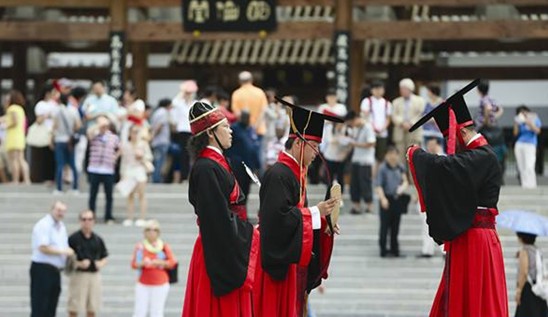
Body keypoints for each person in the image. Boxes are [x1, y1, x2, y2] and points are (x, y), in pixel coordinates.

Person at [407, 79, 508, 317]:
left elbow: (448, 168)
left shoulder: (483, 156)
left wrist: (415, 154)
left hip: (478, 240)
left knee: (475, 302)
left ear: (461, 131)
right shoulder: (478, 156)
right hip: (468, 236)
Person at [254, 98, 340, 317]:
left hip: (293, 262)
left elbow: (297, 215)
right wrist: (315, 213)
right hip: (278, 265)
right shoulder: (279, 174)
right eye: (315, 147)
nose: (316, 154)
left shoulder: (295, 174)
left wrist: (323, 221)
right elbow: (277, 219)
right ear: (300, 143)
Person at [182, 101, 259, 317]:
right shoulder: (206, 168)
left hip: (226, 243)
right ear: (210, 133)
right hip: (216, 250)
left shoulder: (216, 163)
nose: (230, 130)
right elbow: (216, 219)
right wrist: (251, 233)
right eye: (225, 126)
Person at [30, 200, 74, 317]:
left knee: (51, 307)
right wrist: (63, 251)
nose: (61, 213)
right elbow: (43, 247)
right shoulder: (44, 225)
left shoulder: (61, 227)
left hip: (55, 270)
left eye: (63, 211)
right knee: (40, 306)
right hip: (42, 269)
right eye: (58, 210)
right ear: (52, 210)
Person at [131, 220, 177, 317]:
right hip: (143, 283)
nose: (151, 232)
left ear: (158, 232)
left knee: (156, 312)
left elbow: (172, 262)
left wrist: (159, 262)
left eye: (154, 230)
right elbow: (134, 264)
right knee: (139, 311)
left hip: (160, 284)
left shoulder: (164, 246)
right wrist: (143, 263)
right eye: (148, 229)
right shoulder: (140, 247)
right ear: (144, 232)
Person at [67, 210, 108, 317]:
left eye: (90, 219)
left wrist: (100, 263)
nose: (87, 222)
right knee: (74, 306)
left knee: (92, 306)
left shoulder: (98, 239)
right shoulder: (73, 238)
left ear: (94, 221)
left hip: (94, 274)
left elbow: (104, 256)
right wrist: (78, 263)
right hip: (79, 274)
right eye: (84, 219)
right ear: (80, 221)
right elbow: (67, 257)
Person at [375, 146, 409, 257]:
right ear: (386, 156)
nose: (392, 157)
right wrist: (383, 199)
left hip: (397, 198)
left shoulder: (400, 167)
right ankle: (383, 249)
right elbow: (378, 186)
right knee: (384, 226)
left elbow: (405, 181)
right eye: (390, 154)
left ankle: (395, 249)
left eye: (394, 154)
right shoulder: (382, 168)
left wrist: (402, 187)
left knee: (396, 226)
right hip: (386, 198)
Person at [87, 116, 120, 224]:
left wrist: (115, 157)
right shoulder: (94, 135)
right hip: (94, 168)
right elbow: (89, 133)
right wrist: (98, 125)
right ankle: (92, 215)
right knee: (93, 194)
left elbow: (120, 148)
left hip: (108, 169)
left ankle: (108, 216)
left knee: (109, 195)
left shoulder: (113, 137)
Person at [225, 111, 261, 211]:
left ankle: (243, 213)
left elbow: (254, 147)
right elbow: (228, 146)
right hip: (237, 165)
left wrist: (257, 165)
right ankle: (236, 212)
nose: (246, 119)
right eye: (244, 117)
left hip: (249, 166)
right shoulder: (234, 128)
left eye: (248, 117)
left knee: (246, 190)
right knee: (238, 191)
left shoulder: (250, 129)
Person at [120, 125, 153, 227]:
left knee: (141, 194)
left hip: (139, 169)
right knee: (130, 195)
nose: (135, 134)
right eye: (133, 132)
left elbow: (149, 157)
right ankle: (129, 217)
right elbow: (124, 161)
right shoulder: (126, 145)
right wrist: (122, 174)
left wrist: (141, 156)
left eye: (136, 132)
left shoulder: (143, 144)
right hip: (129, 170)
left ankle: (142, 218)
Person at [417, 138, 444, 258]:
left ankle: (445, 249)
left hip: (441, 197)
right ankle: (427, 250)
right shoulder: (426, 159)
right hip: (427, 195)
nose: (429, 146)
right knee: (426, 224)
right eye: (428, 144)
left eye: (432, 144)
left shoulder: (445, 159)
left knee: (443, 223)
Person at [52, 94, 82, 194]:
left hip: (59, 139)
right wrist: (71, 131)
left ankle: (59, 188)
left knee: (60, 164)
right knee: (72, 164)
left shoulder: (56, 110)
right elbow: (78, 125)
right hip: (70, 140)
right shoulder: (73, 110)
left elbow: (54, 125)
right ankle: (75, 188)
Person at [30, 82, 60, 183]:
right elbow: (39, 120)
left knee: (54, 156)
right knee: (45, 156)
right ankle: (46, 177)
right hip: (45, 132)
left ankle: (54, 177)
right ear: (48, 93)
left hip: (54, 132)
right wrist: (48, 115)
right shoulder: (41, 105)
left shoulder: (55, 104)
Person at [515, 232, 548, 317]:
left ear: (521, 237)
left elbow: (524, 273)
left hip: (528, 290)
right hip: (538, 289)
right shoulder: (537, 250)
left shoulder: (524, 251)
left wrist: (519, 291)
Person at [349, 111, 376, 214]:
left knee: (365, 183)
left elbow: (371, 143)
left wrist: (356, 144)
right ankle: (356, 206)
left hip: (366, 161)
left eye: (352, 122)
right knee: (354, 184)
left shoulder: (368, 127)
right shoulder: (355, 129)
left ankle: (369, 206)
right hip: (356, 159)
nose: (352, 125)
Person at [392, 78, 425, 160]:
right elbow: (394, 115)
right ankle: (402, 173)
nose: (402, 90)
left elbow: (421, 115)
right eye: (401, 88)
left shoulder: (420, 100)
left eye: (404, 88)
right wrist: (402, 123)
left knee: (413, 158)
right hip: (400, 132)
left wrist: (411, 123)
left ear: (410, 89)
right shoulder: (396, 102)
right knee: (400, 158)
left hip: (414, 132)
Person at [1, 90, 31, 184]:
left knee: (14, 159)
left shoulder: (12, 108)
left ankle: (15, 179)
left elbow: (14, 121)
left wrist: (6, 126)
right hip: (20, 136)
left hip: (13, 136)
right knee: (21, 159)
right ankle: (27, 179)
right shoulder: (20, 109)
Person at [171, 80, 198, 182]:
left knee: (193, 154)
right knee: (183, 155)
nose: (188, 95)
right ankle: (184, 176)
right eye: (187, 93)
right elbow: (174, 103)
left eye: (190, 93)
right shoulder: (179, 103)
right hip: (182, 131)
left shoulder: (195, 103)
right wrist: (182, 92)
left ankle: (193, 177)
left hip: (193, 131)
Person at [360, 80, 391, 165]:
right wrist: (372, 127)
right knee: (369, 155)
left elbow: (388, 118)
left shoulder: (387, 103)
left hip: (382, 133)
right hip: (370, 132)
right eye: (376, 89)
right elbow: (364, 116)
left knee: (380, 156)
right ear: (371, 90)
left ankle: (378, 176)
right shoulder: (366, 101)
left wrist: (382, 128)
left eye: (380, 89)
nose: (378, 91)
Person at [231, 71, 268, 139]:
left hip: (244, 131)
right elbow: (264, 111)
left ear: (239, 81)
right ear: (251, 80)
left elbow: (237, 114)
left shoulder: (236, 94)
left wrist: (248, 128)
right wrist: (256, 126)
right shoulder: (260, 92)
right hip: (259, 130)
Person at [513, 105, 541, 189]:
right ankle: (524, 185)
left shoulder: (535, 118)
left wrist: (529, 122)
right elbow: (515, 133)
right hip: (520, 143)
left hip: (530, 144)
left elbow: (538, 131)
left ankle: (532, 185)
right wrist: (516, 123)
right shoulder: (520, 121)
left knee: (529, 165)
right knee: (522, 166)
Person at [150, 98, 172, 183]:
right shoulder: (163, 112)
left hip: (157, 141)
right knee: (160, 161)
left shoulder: (156, 112)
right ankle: (157, 179)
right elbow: (160, 126)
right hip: (162, 140)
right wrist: (153, 135)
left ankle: (156, 178)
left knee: (157, 160)